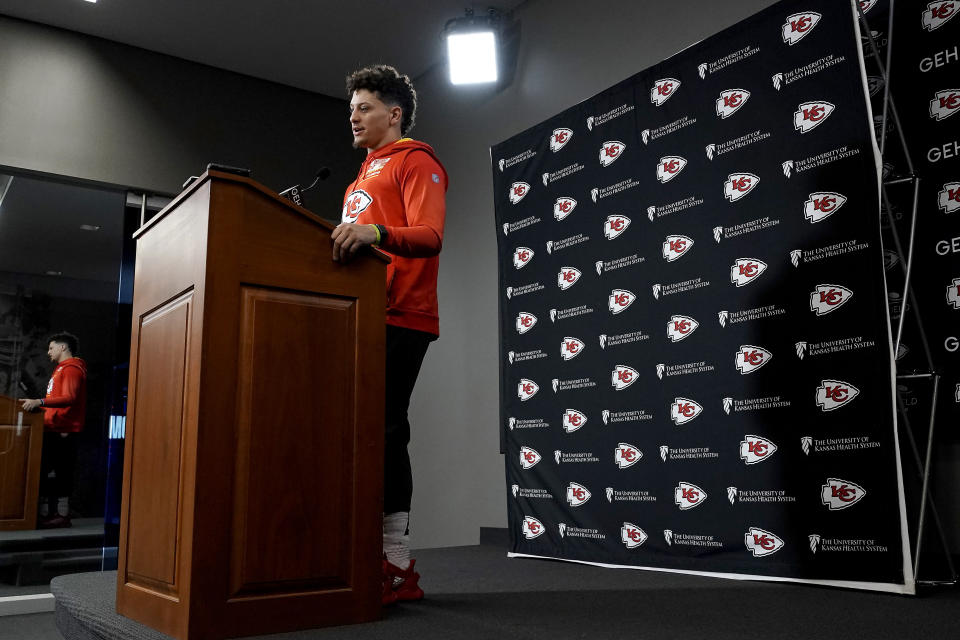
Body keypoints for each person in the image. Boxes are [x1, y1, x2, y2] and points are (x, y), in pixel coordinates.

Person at [331, 64, 447, 606]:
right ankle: (362, 553)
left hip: (401, 314)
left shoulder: (414, 160)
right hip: (361, 314)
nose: (353, 116)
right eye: (351, 107)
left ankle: (398, 563)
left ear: (394, 113)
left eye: (365, 107)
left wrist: (372, 231)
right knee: (358, 434)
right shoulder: (360, 177)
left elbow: (429, 235)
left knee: (385, 430)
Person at [20, 332, 87, 528]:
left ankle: (60, 514)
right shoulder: (60, 369)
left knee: (61, 473)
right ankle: (47, 512)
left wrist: (39, 401)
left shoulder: (72, 369)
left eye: (51, 347)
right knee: (46, 472)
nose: (48, 352)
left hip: (63, 431)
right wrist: (40, 407)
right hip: (53, 429)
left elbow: (70, 398)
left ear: (63, 347)